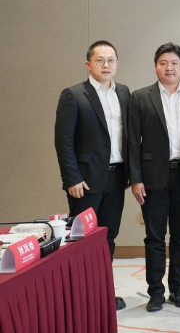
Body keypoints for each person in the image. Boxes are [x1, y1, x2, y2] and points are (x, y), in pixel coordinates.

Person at [128, 43, 180, 312]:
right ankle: (156, 293)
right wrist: (135, 178)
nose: (169, 67)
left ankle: (178, 289)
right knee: (154, 237)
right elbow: (132, 141)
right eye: (163, 63)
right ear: (156, 67)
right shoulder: (140, 97)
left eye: (174, 63)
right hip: (152, 177)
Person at [54, 40, 130, 310]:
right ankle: (79, 297)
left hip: (117, 177)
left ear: (117, 63)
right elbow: (63, 140)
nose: (106, 65)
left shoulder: (124, 93)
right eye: (100, 60)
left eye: (111, 60)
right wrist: (71, 178)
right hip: (84, 181)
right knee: (82, 240)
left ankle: (103, 292)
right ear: (88, 64)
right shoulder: (73, 95)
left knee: (108, 236)